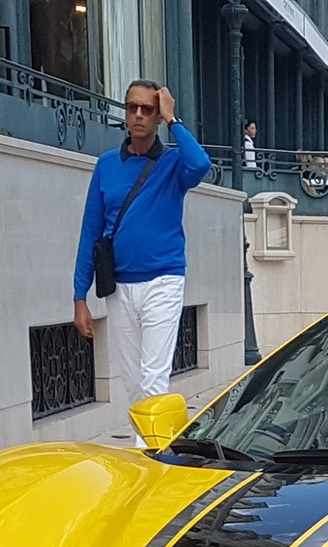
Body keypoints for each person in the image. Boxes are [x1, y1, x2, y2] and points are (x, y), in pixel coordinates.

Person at [72, 81, 211, 411]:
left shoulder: (174, 163)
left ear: (158, 116)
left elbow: (201, 164)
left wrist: (173, 119)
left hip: (163, 280)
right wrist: (80, 296)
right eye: (132, 107)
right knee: (133, 382)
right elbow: (90, 232)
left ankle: (147, 455)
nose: (138, 115)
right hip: (118, 286)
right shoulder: (106, 165)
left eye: (147, 110)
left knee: (153, 377)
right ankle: (149, 449)